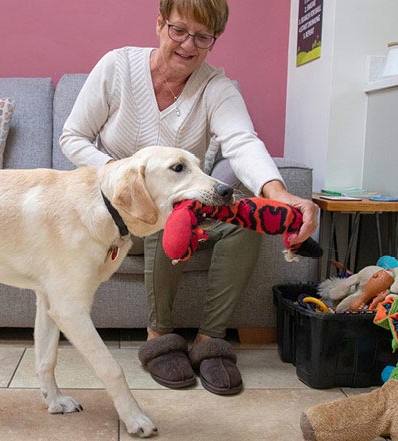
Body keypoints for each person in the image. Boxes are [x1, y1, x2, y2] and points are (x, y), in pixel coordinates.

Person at [59, 0, 318, 395]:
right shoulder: (117, 67)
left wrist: (278, 193)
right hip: (119, 212)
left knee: (238, 219)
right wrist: (124, 175)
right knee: (164, 214)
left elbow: (241, 142)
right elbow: (72, 137)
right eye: (179, 30)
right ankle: (159, 336)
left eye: (203, 37)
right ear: (160, 23)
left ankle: (210, 341)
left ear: (215, 39)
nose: (187, 45)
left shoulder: (216, 87)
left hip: (186, 211)